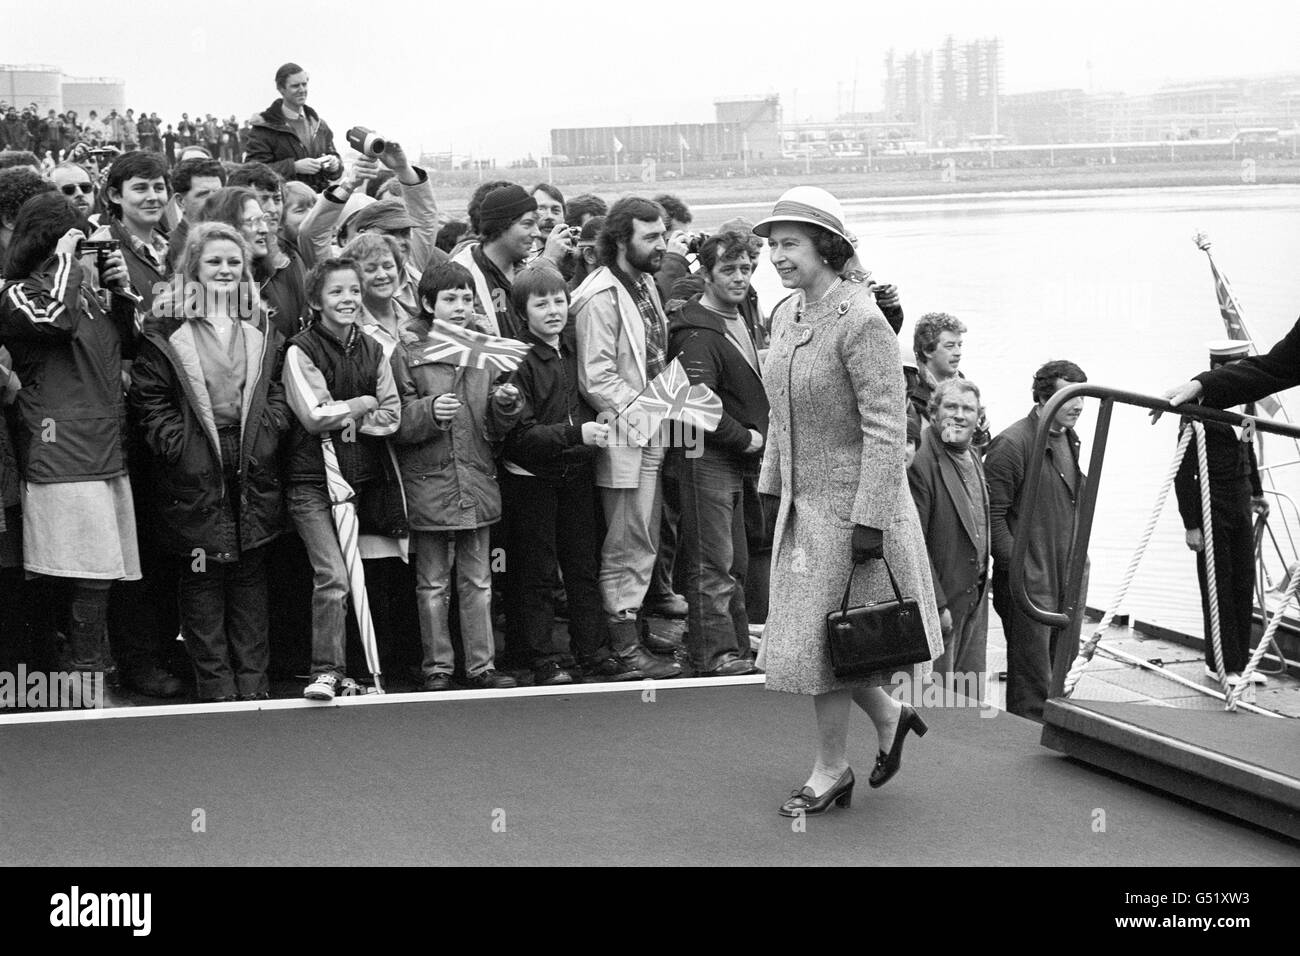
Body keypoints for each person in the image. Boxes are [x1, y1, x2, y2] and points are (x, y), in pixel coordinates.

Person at [752, 185, 941, 816]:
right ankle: (889, 717)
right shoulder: (785, 314)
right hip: (802, 509)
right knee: (829, 642)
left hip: (853, 512)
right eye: (773, 245)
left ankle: (831, 768)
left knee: (818, 648)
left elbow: (889, 429)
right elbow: (781, 414)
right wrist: (770, 488)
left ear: (826, 248)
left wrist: (869, 522)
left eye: (790, 244)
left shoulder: (861, 321)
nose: (777, 256)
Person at [129, 222, 290, 702]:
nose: (225, 269)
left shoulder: (262, 326)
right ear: (193, 267)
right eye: (214, 261)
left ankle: (253, 686)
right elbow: (149, 401)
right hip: (193, 469)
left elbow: (278, 393)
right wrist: (181, 449)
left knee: (249, 578)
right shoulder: (165, 328)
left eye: (234, 261)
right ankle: (217, 689)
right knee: (201, 576)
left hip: (251, 463)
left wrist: (266, 436)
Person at [0, 193, 141, 705]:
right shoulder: (13, 294)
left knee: (99, 574)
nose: (87, 252)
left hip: (105, 450)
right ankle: (80, 678)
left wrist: (121, 291)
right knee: (80, 575)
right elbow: (50, 321)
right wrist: (66, 258)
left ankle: (84, 676)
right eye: (79, 240)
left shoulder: (88, 294)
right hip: (57, 454)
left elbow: (134, 343)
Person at [499, 264, 636, 685]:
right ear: (522, 311)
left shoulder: (574, 348)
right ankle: (540, 656)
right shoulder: (517, 358)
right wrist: (577, 432)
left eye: (559, 300)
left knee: (582, 566)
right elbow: (519, 436)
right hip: (530, 478)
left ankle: (592, 650)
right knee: (536, 572)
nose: (553, 310)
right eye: (541, 304)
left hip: (575, 472)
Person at [391, 262, 523, 691]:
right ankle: (437, 667)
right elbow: (395, 420)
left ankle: (481, 666)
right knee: (431, 582)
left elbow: (496, 429)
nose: (461, 306)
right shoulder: (407, 350)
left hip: (477, 478)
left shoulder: (486, 350)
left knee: (479, 580)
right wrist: (428, 412)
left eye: (467, 297)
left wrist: (506, 403)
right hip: (429, 481)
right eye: (450, 298)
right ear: (428, 304)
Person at [571, 196, 684, 679]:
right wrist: (651, 413)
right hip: (623, 435)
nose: (661, 245)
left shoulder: (643, 284)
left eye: (662, 234)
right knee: (625, 539)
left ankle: (631, 634)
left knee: (644, 536)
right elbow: (595, 379)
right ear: (621, 240)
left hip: (649, 428)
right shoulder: (600, 295)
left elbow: (653, 356)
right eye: (651, 237)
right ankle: (621, 646)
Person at [281, 257, 400, 701]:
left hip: (358, 481)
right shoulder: (300, 349)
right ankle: (325, 671)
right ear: (316, 300)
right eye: (336, 292)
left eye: (353, 290)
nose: (348, 299)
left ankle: (360, 671)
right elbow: (313, 414)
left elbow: (392, 416)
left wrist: (352, 415)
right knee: (332, 575)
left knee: (359, 577)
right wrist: (363, 401)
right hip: (310, 482)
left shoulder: (374, 349)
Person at [665, 232, 767, 677]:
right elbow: (690, 400)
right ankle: (714, 654)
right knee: (713, 562)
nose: (739, 278)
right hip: (706, 458)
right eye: (728, 269)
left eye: (745, 268)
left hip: (735, 461)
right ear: (705, 274)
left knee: (736, 563)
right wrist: (743, 437)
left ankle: (736, 648)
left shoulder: (736, 316)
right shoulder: (697, 329)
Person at [986, 359, 1089, 722]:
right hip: (1030, 581)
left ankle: (1054, 738)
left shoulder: (1068, 438)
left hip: (1065, 578)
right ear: (1043, 397)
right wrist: (1020, 571)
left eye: (1082, 396)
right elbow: (992, 518)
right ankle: (1024, 749)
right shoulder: (1013, 444)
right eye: (1069, 396)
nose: (1079, 405)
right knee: (1032, 682)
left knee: (1063, 667)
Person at [1171, 341, 1269, 686]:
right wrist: (1192, 525)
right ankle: (1220, 664)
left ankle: (1241, 663)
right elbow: (1183, 474)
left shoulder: (1245, 404)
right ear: (1219, 370)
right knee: (1219, 585)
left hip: (1240, 504)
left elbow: (1248, 449)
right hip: (1212, 507)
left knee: (1243, 582)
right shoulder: (1198, 410)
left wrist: (1257, 493)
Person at [908, 378, 991, 696]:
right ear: (934, 410)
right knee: (934, 699)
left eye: (967, 408)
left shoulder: (971, 453)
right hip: (942, 600)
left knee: (968, 698)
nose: (959, 415)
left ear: (978, 415)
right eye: (951, 407)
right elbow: (915, 542)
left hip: (975, 596)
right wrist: (936, 605)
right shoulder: (922, 460)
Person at [196, 186, 308, 338]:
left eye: (263, 220)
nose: (264, 229)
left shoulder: (279, 271)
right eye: (252, 222)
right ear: (226, 226)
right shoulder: (203, 289)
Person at [450, 184, 551, 338]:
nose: (536, 233)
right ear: (500, 226)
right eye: (527, 224)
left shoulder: (526, 275)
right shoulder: (460, 278)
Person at [243, 62, 341, 193]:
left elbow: (334, 161)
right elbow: (252, 172)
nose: (302, 90)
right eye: (295, 86)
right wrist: (294, 167)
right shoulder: (264, 128)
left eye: (304, 84)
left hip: (320, 200)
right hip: (286, 202)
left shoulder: (320, 125)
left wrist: (335, 165)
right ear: (281, 89)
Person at [905, 311, 990, 458]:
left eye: (960, 345)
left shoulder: (964, 388)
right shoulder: (910, 391)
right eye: (950, 346)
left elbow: (976, 452)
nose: (958, 353)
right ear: (927, 350)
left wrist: (979, 437)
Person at [165, 157, 228, 266]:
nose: (213, 200)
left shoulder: (232, 244)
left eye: (218, 193)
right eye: (203, 195)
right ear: (180, 202)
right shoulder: (167, 249)